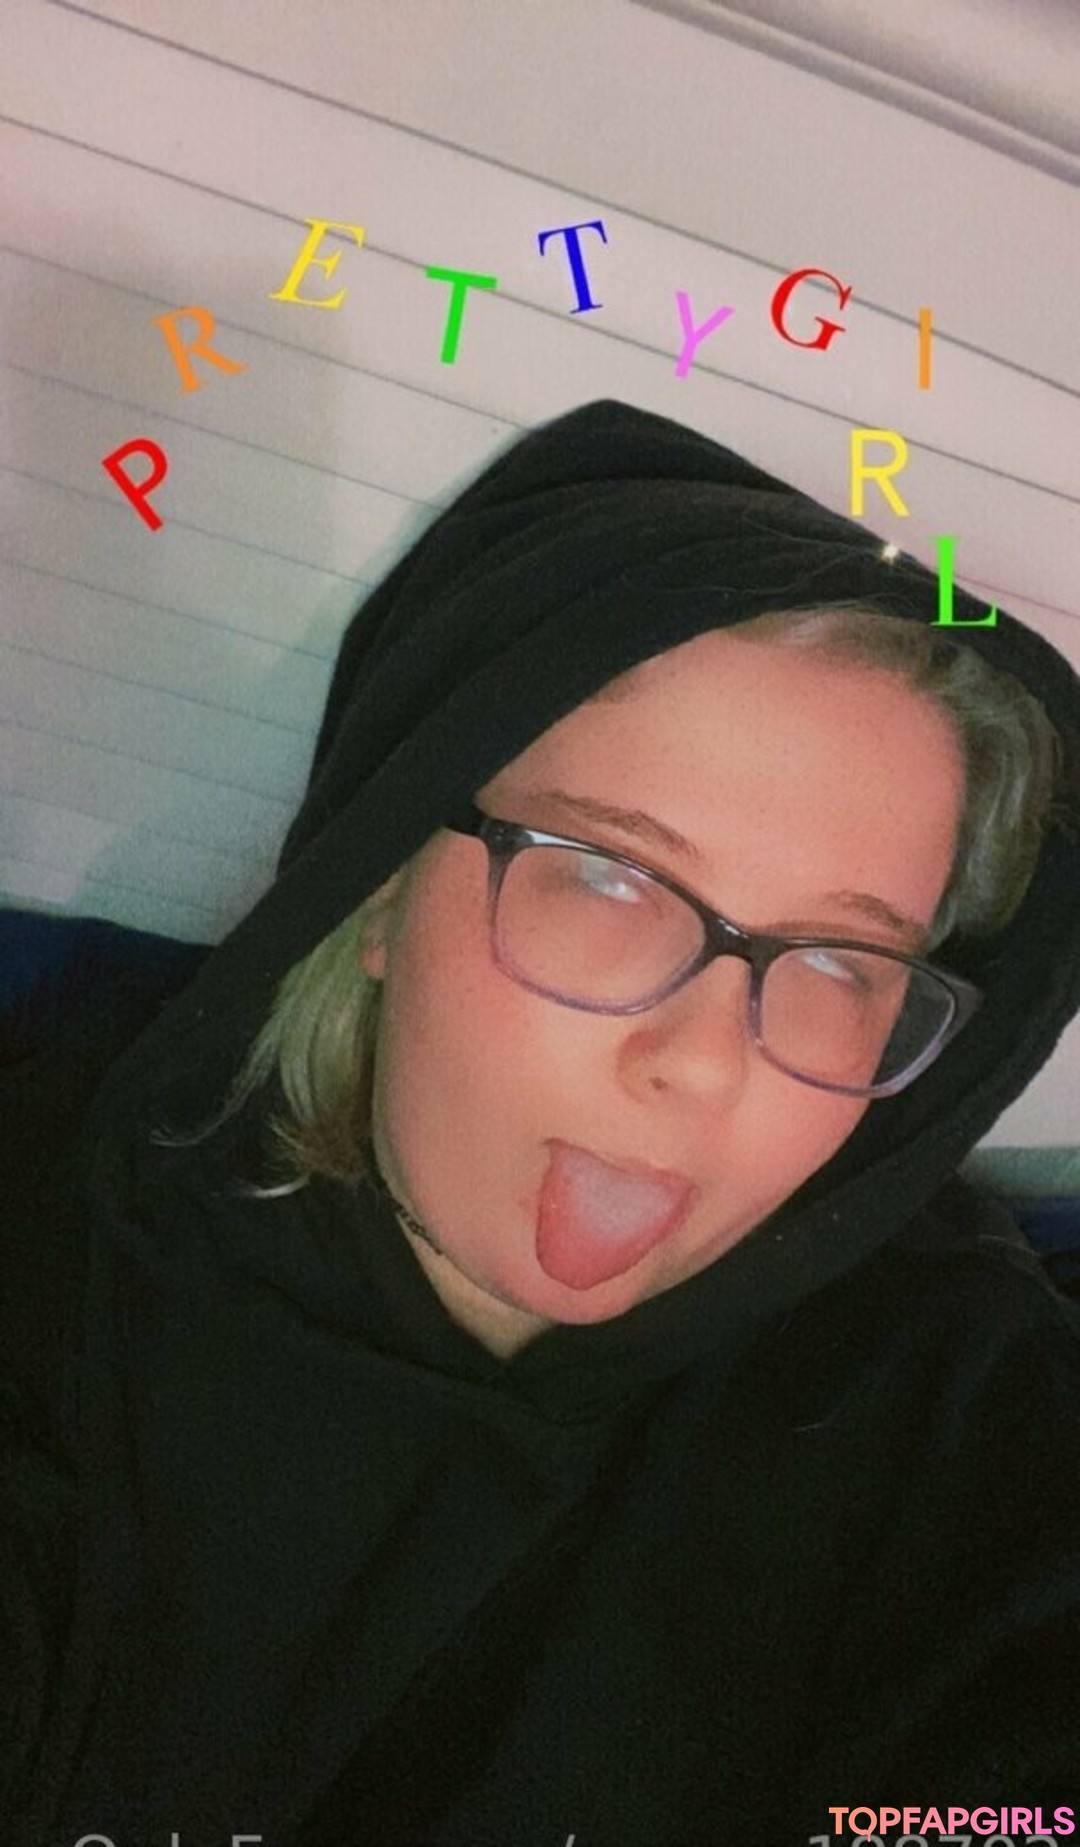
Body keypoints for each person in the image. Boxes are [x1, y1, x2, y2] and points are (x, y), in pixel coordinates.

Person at [3, 399, 1079, 1846]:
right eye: (608, 879)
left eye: (842, 963)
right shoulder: (52, 1239)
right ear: (377, 887)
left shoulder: (964, 1423)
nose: (703, 1064)